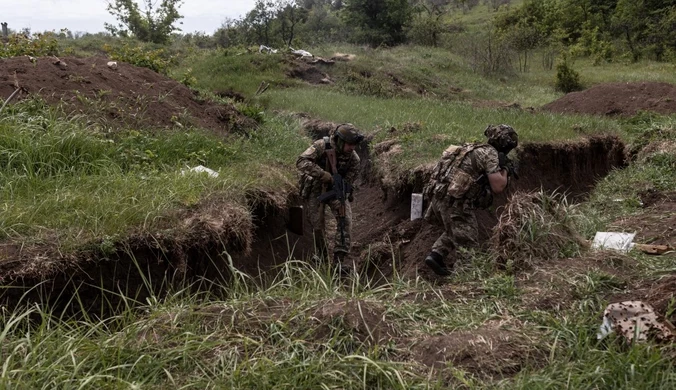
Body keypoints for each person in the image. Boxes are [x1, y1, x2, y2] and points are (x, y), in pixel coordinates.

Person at [422, 124, 519, 276]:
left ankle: (437, 255)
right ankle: (464, 281)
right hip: (456, 205)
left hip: (438, 199)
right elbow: (498, 186)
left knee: (457, 229)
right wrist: (506, 170)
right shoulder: (490, 154)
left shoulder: (470, 148)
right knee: (469, 248)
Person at [296, 123, 364, 273]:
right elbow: (301, 162)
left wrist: (342, 190)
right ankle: (321, 258)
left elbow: (350, 180)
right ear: (340, 141)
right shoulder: (322, 146)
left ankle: (338, 261)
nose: (352, 148)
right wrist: (322, 174)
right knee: (317, 225)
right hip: (315, 188)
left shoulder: (354, 160)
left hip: (335, 190)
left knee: (345, 220)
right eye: (349, 144)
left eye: (354, 145)